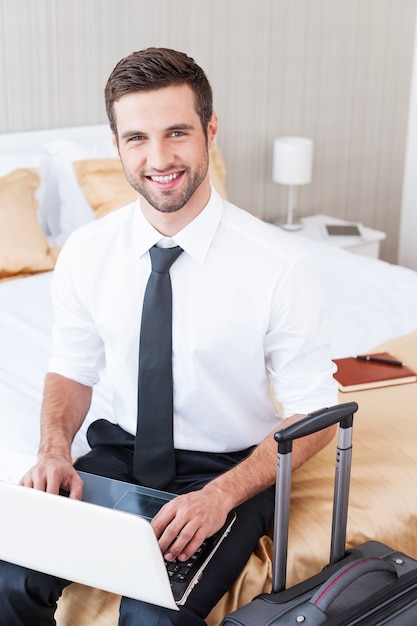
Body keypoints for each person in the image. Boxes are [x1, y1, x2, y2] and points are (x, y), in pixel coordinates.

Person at [0, 47, 338, 625]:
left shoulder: (280, 265)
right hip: (118, 453)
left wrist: (223, 496)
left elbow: (317, 410)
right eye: (137, 138)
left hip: (227, 469)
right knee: (8, 579)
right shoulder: (86, 252)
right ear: (117, 147)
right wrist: (55, 449)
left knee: (152, 617)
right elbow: (73, 366)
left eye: (177, 132)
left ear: (210, 130)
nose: (159, 158)